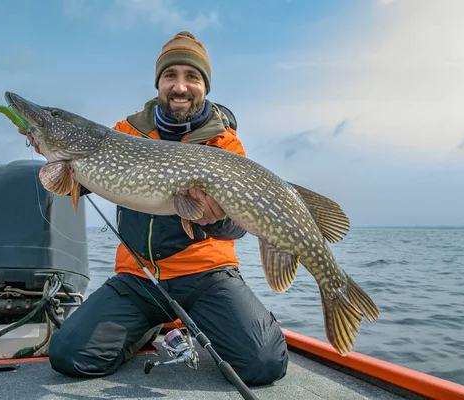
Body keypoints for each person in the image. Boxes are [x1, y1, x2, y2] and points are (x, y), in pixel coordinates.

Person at [20, 31, 288, 386]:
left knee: (264, 364)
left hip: (206, 277)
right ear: (158, 83)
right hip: (138, 279)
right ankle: (147, 328)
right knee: (69, 355)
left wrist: (216, 219)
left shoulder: (225, 144)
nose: (180, 87)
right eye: (170, 76)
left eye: (191, 77)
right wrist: (53, 149)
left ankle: (214, 321)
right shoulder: (124, 133)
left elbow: (238, 225)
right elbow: (81, 181)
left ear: (205, 86)